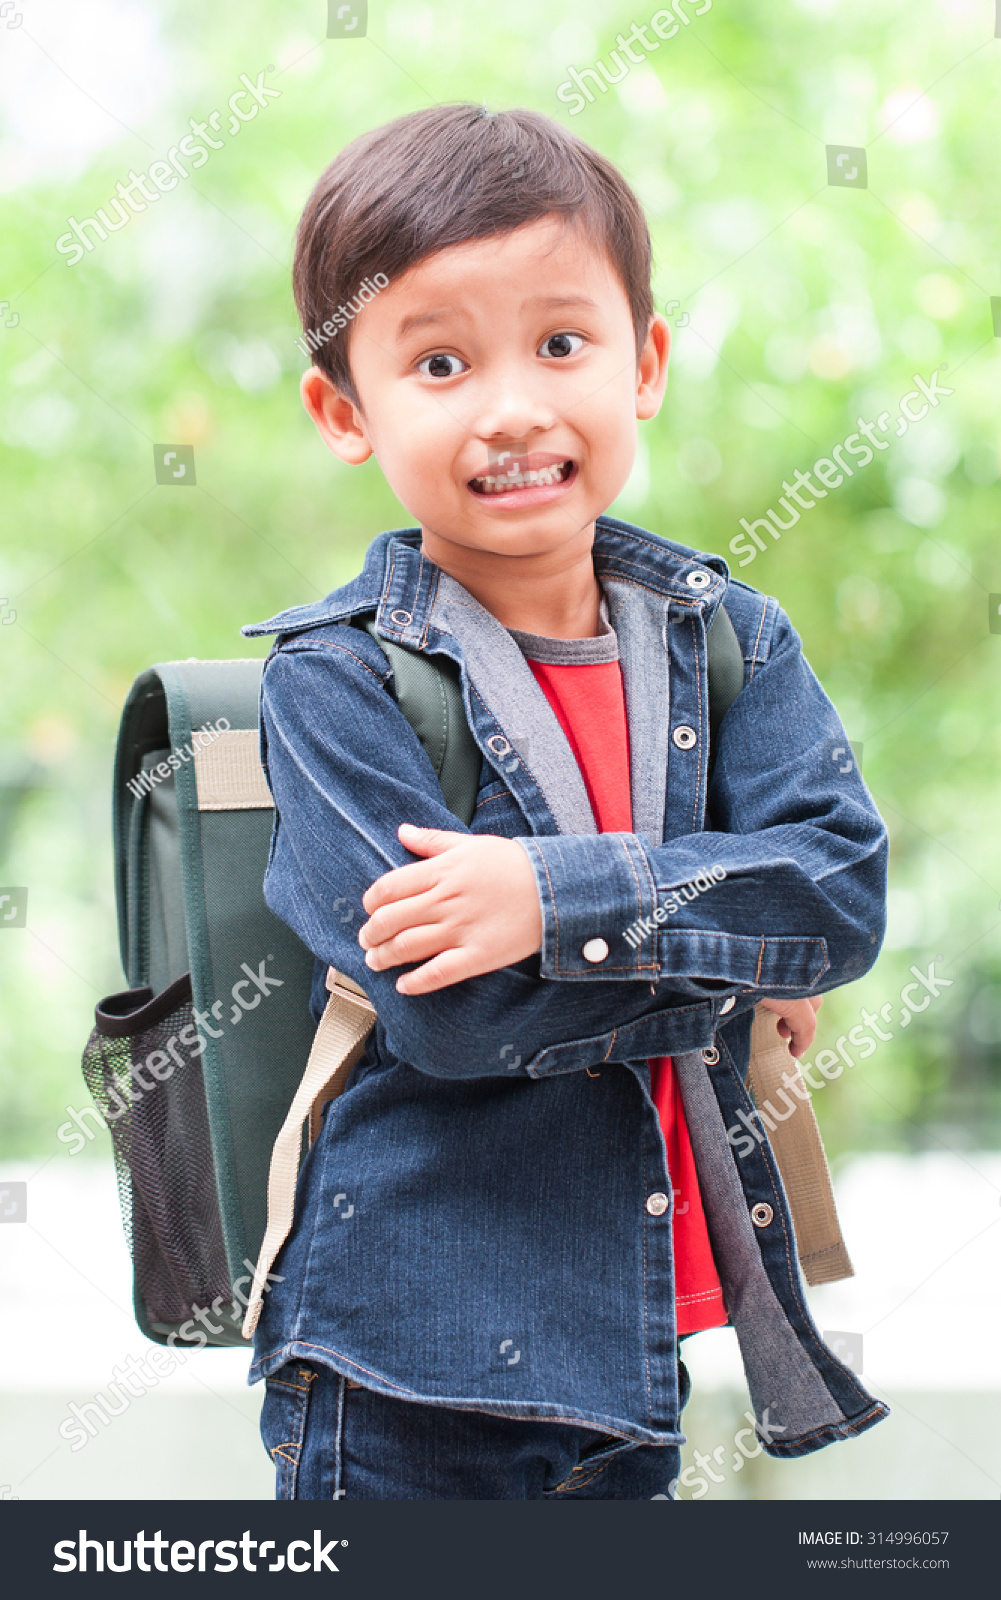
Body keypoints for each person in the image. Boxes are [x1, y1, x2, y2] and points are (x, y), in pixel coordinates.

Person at [242, 103, 889, 1501]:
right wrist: (723, 954)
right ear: (343, 411)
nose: (513, 406)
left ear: (642, 363)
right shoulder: (336, 681)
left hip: (634, 1347)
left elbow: (837, 894)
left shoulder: (729, 640)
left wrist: (548, 895)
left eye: (558, 342)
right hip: (399, 1369)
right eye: (436, 361)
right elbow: (455, 1014)